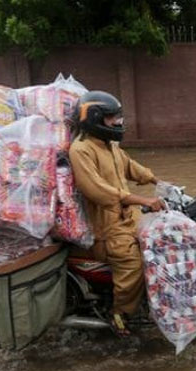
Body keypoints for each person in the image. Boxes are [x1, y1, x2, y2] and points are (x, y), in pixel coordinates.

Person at [68, 90, 164, 337]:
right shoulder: (81, 150)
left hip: (128, 219)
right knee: (132, 263)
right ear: (95, 118)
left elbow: (130, 167)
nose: (118, 122)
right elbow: (99, 191)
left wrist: (157, 180)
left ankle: (149, 302)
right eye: (112, 118)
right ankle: (120, 316)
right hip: (106, 231)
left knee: (160, 241)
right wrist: (144, 200)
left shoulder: (109, 146)